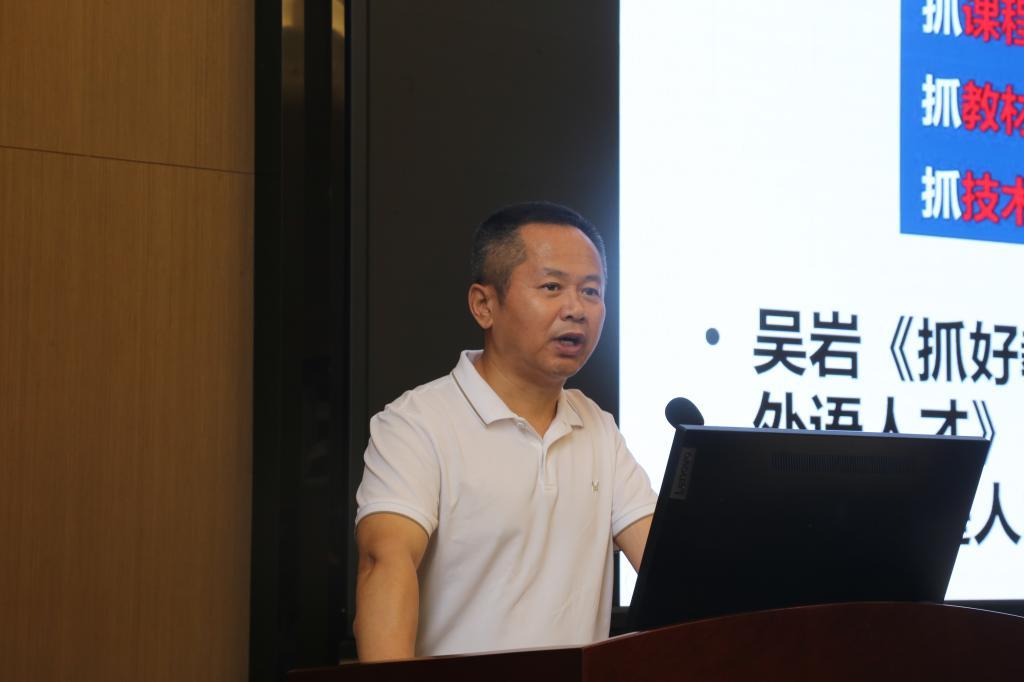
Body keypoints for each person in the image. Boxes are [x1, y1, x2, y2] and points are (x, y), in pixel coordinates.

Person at [353, 202, 657, 661]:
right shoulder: (416, 424)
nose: (576, 309)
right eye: (552, 287)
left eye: (591, 291)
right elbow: (384, 564)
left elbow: (663, 563)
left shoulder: (597, 427)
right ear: (484, 305)